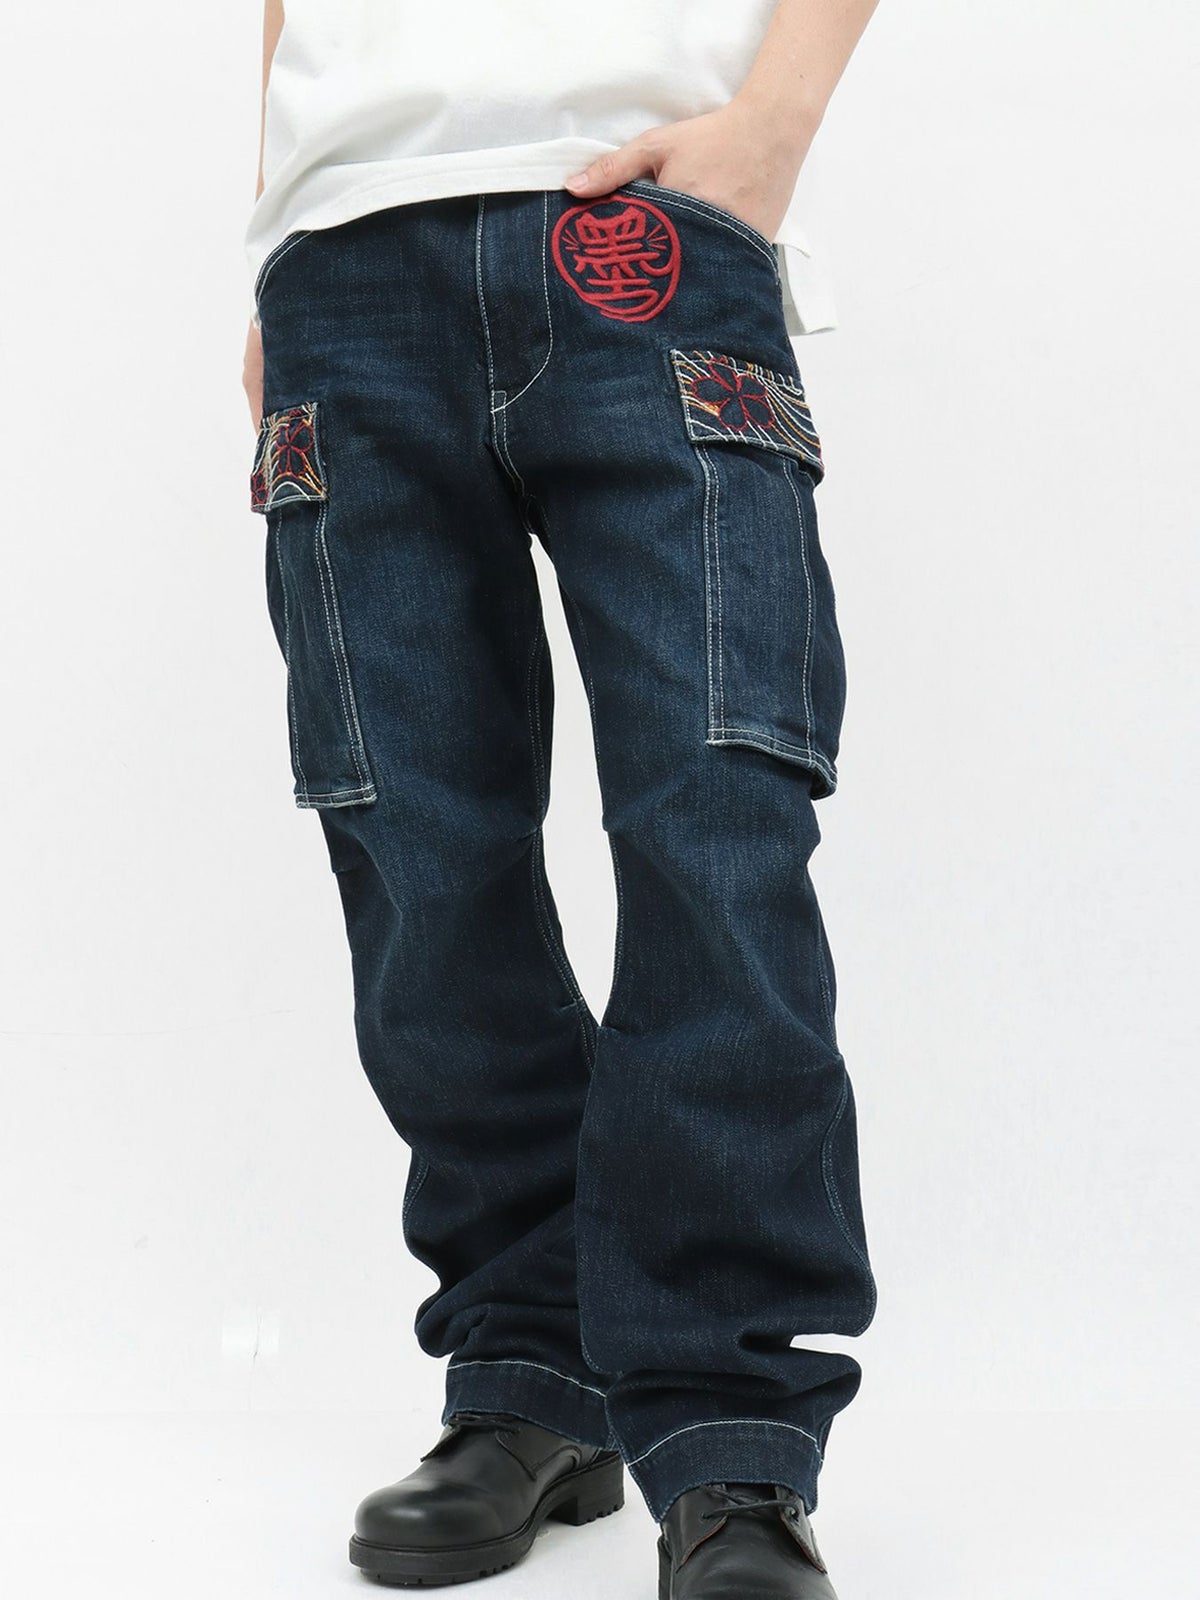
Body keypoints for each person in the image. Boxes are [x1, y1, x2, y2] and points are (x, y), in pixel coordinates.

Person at [242, 3, 880, 1594]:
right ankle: (531, 1372)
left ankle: (730, 1436)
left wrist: (776, 123)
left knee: (715, 828)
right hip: (344, 256)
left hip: (645, 221)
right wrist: (273, 217)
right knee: (416, 853)